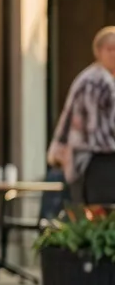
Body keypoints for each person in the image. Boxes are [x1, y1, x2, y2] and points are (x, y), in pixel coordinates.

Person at [48, 26, 115, 204]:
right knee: (102, 218)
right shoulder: (97, 81)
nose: (114, 54)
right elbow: (102, 130)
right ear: (98, 51)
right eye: (110, 49)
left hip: (87, 161)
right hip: (96, 160)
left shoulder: (98, 78)